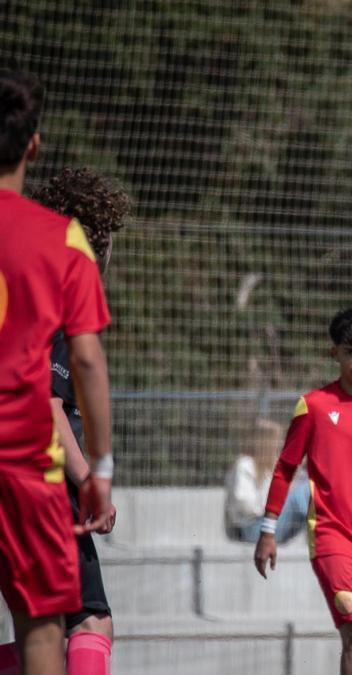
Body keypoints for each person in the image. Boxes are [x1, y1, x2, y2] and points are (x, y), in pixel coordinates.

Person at [0, 69, 114, 675]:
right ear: (33, 144)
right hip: (22, 465)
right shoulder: (60, 241)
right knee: (49, 624)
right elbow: (84, 363)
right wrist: (97, 469)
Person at [25, 167, 130, 675]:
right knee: (88, 625)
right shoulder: (64, 302)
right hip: (37, 477)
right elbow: (48, 406)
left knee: (42, 632)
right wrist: (91, 478)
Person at [254, 309, 352, 675]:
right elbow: (286, 467)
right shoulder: (314, 406)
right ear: (334, 353)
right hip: (335, 541)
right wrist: (268, 530)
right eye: (350, 351)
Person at [224, 418, 309, 544]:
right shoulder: (244, 465)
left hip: (270, 523)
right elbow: (246, 504)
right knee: (304, 490)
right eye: (278, 440)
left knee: (309, 484)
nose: (280, 444)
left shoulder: (269, 467)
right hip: (253, 528)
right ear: (266, 442)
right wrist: (278, 500)